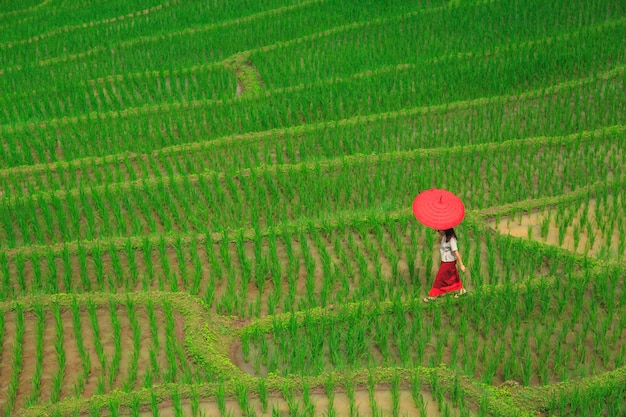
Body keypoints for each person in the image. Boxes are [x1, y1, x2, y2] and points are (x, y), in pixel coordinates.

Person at [423, 228, 467, 302]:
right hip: (445, 261)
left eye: (439, 230)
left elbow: (456, 252)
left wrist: (461, 265)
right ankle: (462, 290)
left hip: (449, 262)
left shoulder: (452, 239)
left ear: (445, 230)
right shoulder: (444, 237)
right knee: (453, 276)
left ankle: (433, 295)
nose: (438, 232)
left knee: (439, 278)